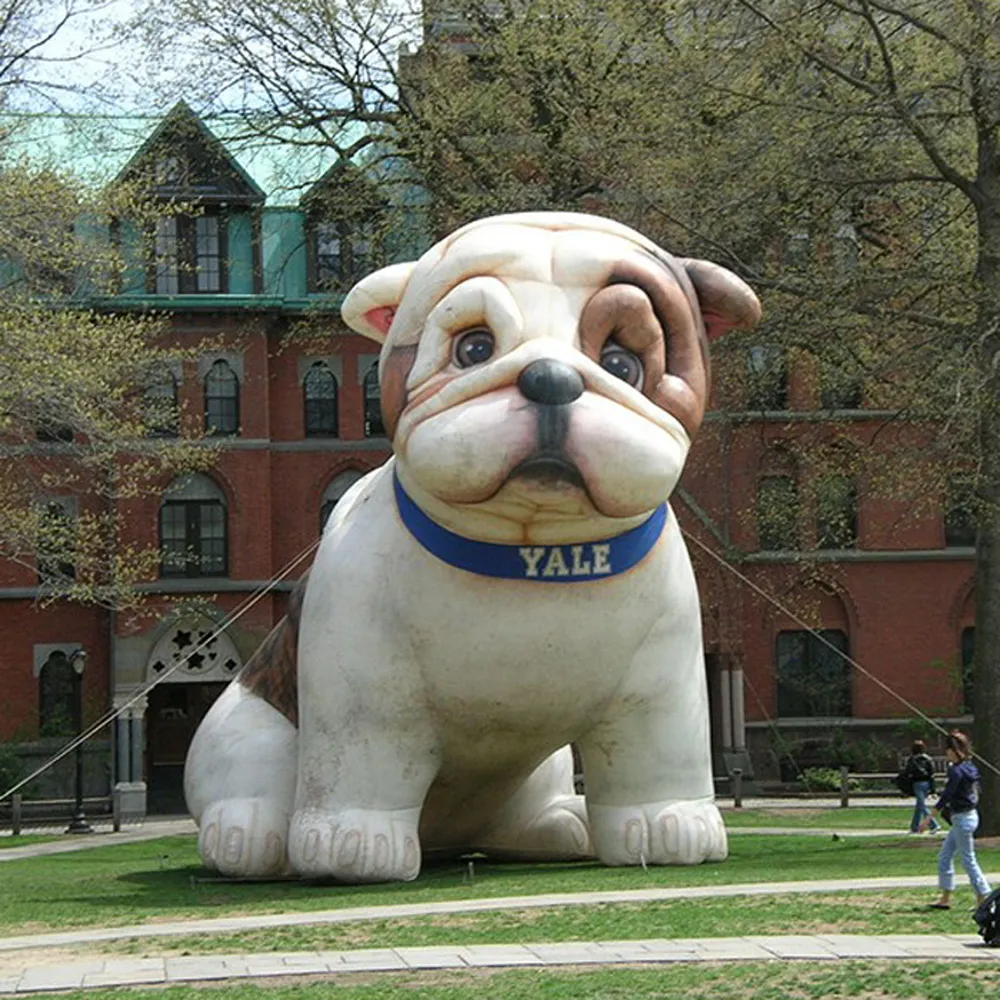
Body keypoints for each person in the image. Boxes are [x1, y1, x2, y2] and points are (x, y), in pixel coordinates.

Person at [920, 730, 993, 909]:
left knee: (968, 859)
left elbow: (947, 795)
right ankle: (945, 898)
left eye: (948, 750)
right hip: (968, 817)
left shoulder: (957, 771)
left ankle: (984, 896)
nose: (946, 754)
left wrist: (929, 818)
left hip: (962, 819)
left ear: (954, 750)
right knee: (945, 856)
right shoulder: (970, 767)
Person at [903, 739, 939, 834]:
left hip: (917, 783)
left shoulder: (912, 759)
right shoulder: (928, 759)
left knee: (922, 806)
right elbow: (932, 774)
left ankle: (933, 825)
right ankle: (914, 827)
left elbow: (907, 772)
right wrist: (933, 790)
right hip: (926, 783)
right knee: (919, 806)